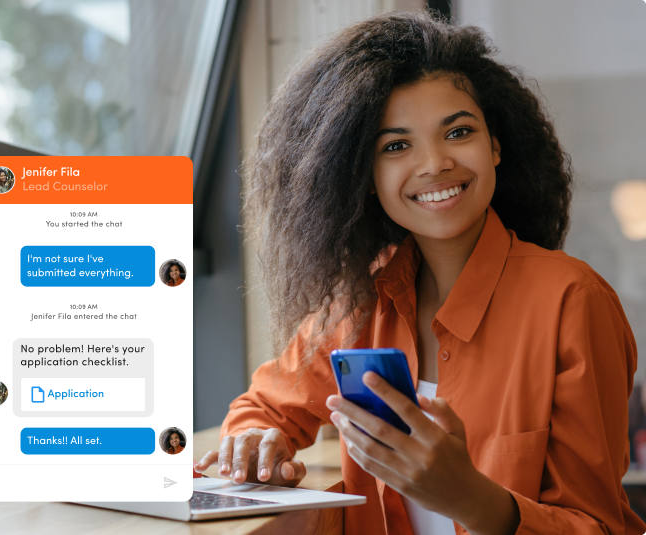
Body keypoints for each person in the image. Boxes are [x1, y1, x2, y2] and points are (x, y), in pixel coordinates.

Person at [194, 11, 645, 535]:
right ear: (364, 176)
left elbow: (598, 526)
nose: (434, 163)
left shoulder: (573, 300)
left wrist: (472, 498)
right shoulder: (360, 298)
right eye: (396, 145)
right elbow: (266, 407)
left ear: (495, 146)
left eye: (458, 131)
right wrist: (255, 440)